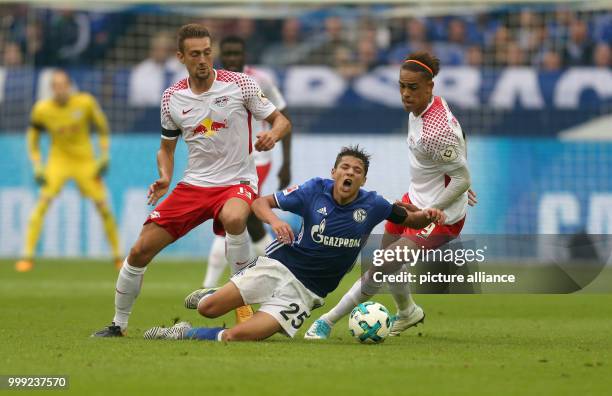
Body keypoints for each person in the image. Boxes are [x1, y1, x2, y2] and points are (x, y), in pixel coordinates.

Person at [92, 23, 291, 337]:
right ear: (180, 57)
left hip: (236, 180)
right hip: (194, 185)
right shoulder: (172, 98)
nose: (203, 59)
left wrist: (272, 136)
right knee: (140, 250)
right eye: (195, 54)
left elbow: (281, 120)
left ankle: (243, 310)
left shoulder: (242, 85)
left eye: (207, 53)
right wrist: (164, 176)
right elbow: (166, 149)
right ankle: (118, 324)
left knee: (235, 217)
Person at [142, 146, 445, 342]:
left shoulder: (375, 204)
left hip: (306, 292)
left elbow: (411, 221)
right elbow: (260, 202)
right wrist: (275, 222)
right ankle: (216, 294)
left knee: (239, 337)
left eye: (357, 170)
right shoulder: (313, 190)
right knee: (209, 308)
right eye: (345, 167)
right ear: (334, 172)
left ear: (363, 180)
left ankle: (183, 333)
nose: (350, 173)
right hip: (279, 266)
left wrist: (427, 215)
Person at [305, 51, 475, 339]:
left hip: (441, 215)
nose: (406, 94)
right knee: (386, 259)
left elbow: (461, 174)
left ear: (430, 87)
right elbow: (460, 151)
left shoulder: (437, 129)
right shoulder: (426, 108)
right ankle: (408, 312)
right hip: (413, 200)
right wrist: (459, 172)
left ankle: (328, 320)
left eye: (413, 88)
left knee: (385, 263)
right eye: (402, 86)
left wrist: (451, 188)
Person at [203, 35, 292, 289]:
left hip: (257, 160)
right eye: (227, 54)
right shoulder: (212, 84)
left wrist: (287, 164)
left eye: (236, 54)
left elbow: (284, 119)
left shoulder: (260, 81)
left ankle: (207, 289)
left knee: (233, 216)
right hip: (225, 161)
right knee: (248, 220)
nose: (231, 59)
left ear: (244, 56)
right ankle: (280, 273)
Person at [15, 69, 121, 272]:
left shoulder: (85, 102)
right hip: (58, 162)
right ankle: (27, 256)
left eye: (63, 85)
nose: (60, 89)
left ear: (70, 86)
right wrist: (37, 164)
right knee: (41, 206)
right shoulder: (42, 109)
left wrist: (104, 154)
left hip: (85, 162)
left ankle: (118, 256)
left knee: (104, 209)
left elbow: (102, 127)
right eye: (55, 86)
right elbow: (33, 139)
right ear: (51, 88)